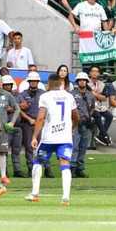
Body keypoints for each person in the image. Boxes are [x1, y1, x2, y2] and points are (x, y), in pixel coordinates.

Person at [27, 73, 78, 205]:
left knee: (38, 161)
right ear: (61, 83)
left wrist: (34, 136)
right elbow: (76, 116)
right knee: (65, 163)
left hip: (49, 138)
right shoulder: (69, 96)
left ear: (48, 84)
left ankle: (34, 193)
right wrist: (72, 127)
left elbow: (40, 118)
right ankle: (66, 197)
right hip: (65, 137)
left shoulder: (45, 96)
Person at [70, 72, 94, 178]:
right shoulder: (71, 94)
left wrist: (90, 118)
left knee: (83, 146)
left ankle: (80, 168)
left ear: (87, 82)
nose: (82, 81)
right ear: (77, 81)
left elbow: (92, 107)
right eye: (80, 80)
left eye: (84, 80)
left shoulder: (90, 94)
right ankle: (72, 168)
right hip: (75, 123)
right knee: (74, 146)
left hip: (86, 123)